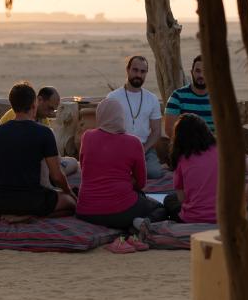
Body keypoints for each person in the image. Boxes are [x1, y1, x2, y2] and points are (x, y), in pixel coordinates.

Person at [0, 83, 76, 217]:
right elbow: (57, 176)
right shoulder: (44, 132)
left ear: (12, 105)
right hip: (31, 201)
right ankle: (29, 216)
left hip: (0, 203)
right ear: (34, 104)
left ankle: (21, 215)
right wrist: (69, 192)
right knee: (71, 203)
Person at [76, 98, 164, 229]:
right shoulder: (133, 143)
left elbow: (84, 170)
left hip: (86, 212)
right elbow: (141, 183)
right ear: (122, 117)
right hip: (121, 212)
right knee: (160, 209)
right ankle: (138, 225)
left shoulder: (87, 137)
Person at [0, 85, 78, 178]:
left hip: (35, 166)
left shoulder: (43, 120)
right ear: (39, 100)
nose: (51, 113)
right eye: (50, 108)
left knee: (72, 161)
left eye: (54, 110)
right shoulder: (17, 115)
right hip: (21, 167)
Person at [106, 56, 164, 179]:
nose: (138, 74)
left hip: (144, 149)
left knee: (154, 172)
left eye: (142, 72)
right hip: (119, 149)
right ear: (127, 70)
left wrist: (143, 149)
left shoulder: (152, 99)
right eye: (135, 70)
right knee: (113, 172)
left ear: (146, 73)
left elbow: (156, 131)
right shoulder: (113, 97)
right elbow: (106, 129)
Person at [163, 114, 218, 223]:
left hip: (192, 218)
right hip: (225, 215)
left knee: (169, 199)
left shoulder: (182, 158)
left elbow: (182, 199)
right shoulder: (222, 149)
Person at [164, 55, 214, 137]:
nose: (201, 75)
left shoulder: (219, 99)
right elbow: (169, 129)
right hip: (187, 146)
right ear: (192, 72)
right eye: (198, 71)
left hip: (213, 146)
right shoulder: (177, 96)